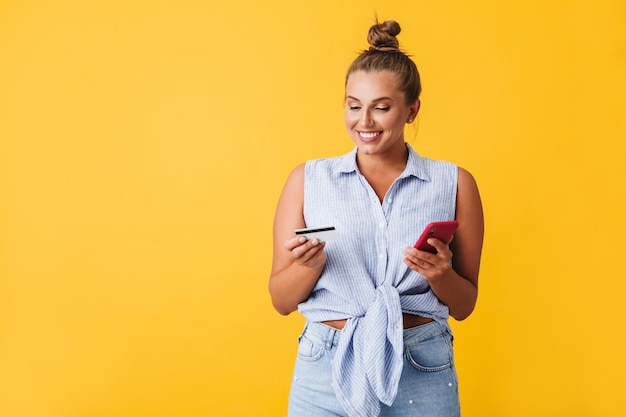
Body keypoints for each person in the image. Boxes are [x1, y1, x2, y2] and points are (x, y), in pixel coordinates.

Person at [269, 19, 484, 417]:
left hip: (422, 363)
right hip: (325, 365)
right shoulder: (307, 180)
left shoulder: (455, 183)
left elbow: (465, 304)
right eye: (354, 106)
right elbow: (281, 300)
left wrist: (440, 275)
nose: (364, 122)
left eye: (381, 108)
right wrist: (309, 267)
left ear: (412, 109)